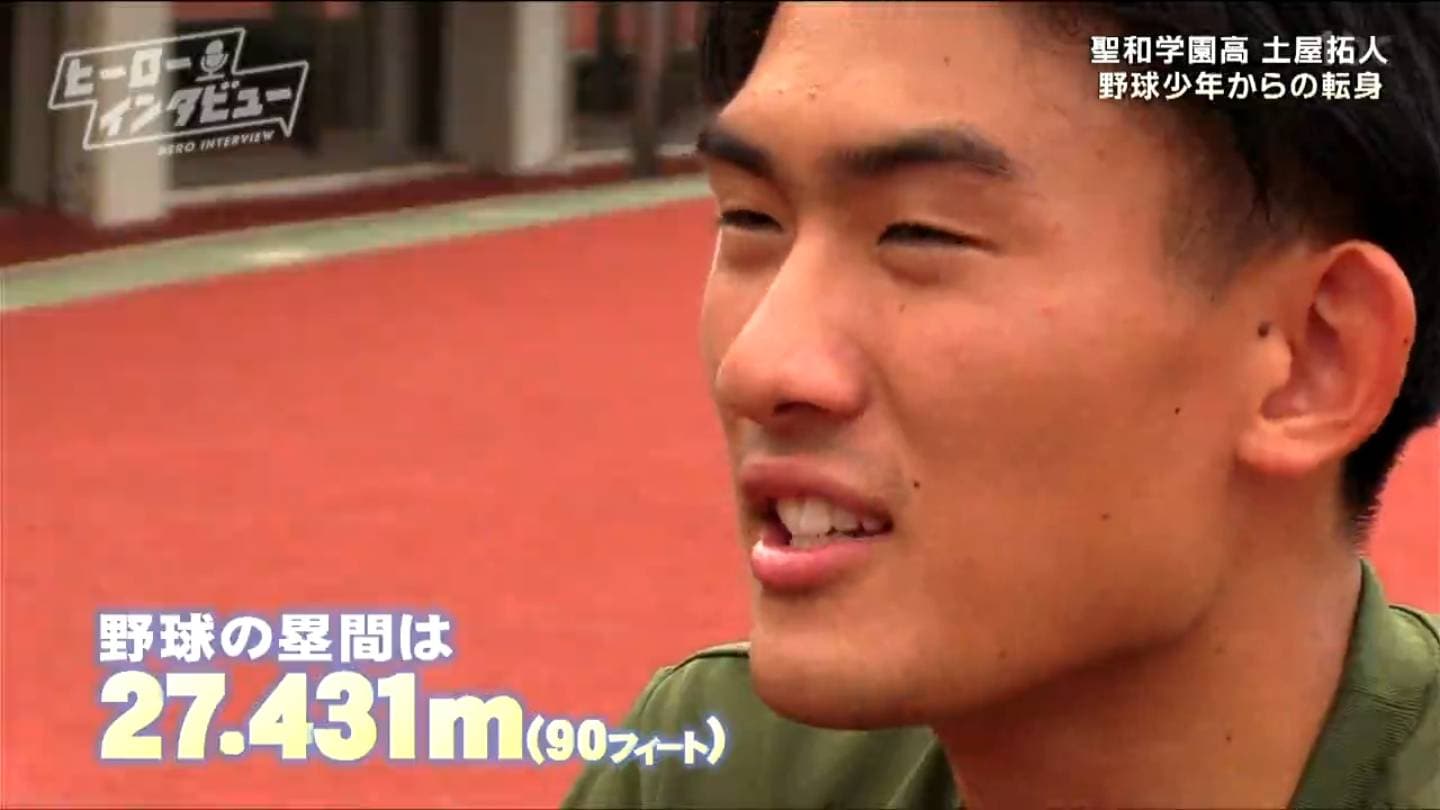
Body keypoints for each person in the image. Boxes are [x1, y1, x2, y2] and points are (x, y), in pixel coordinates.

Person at [563, 2, 1440, 807]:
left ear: (1312, 359)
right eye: (752, 218)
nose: (756, 366)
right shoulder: (713, 770)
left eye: (920, 232)